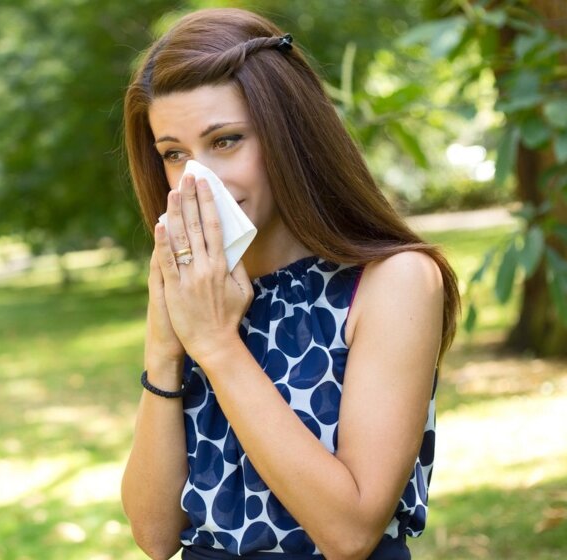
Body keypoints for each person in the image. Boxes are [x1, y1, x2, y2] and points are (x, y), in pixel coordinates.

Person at [119, 8, 460, 560]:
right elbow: (156, 537)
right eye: (175, 154)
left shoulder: (392, 282)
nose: (199, 180)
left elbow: (349, 533)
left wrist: (216, 346)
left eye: (225, 141)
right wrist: (163, 351)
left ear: (288, 136)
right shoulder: (206, 289)